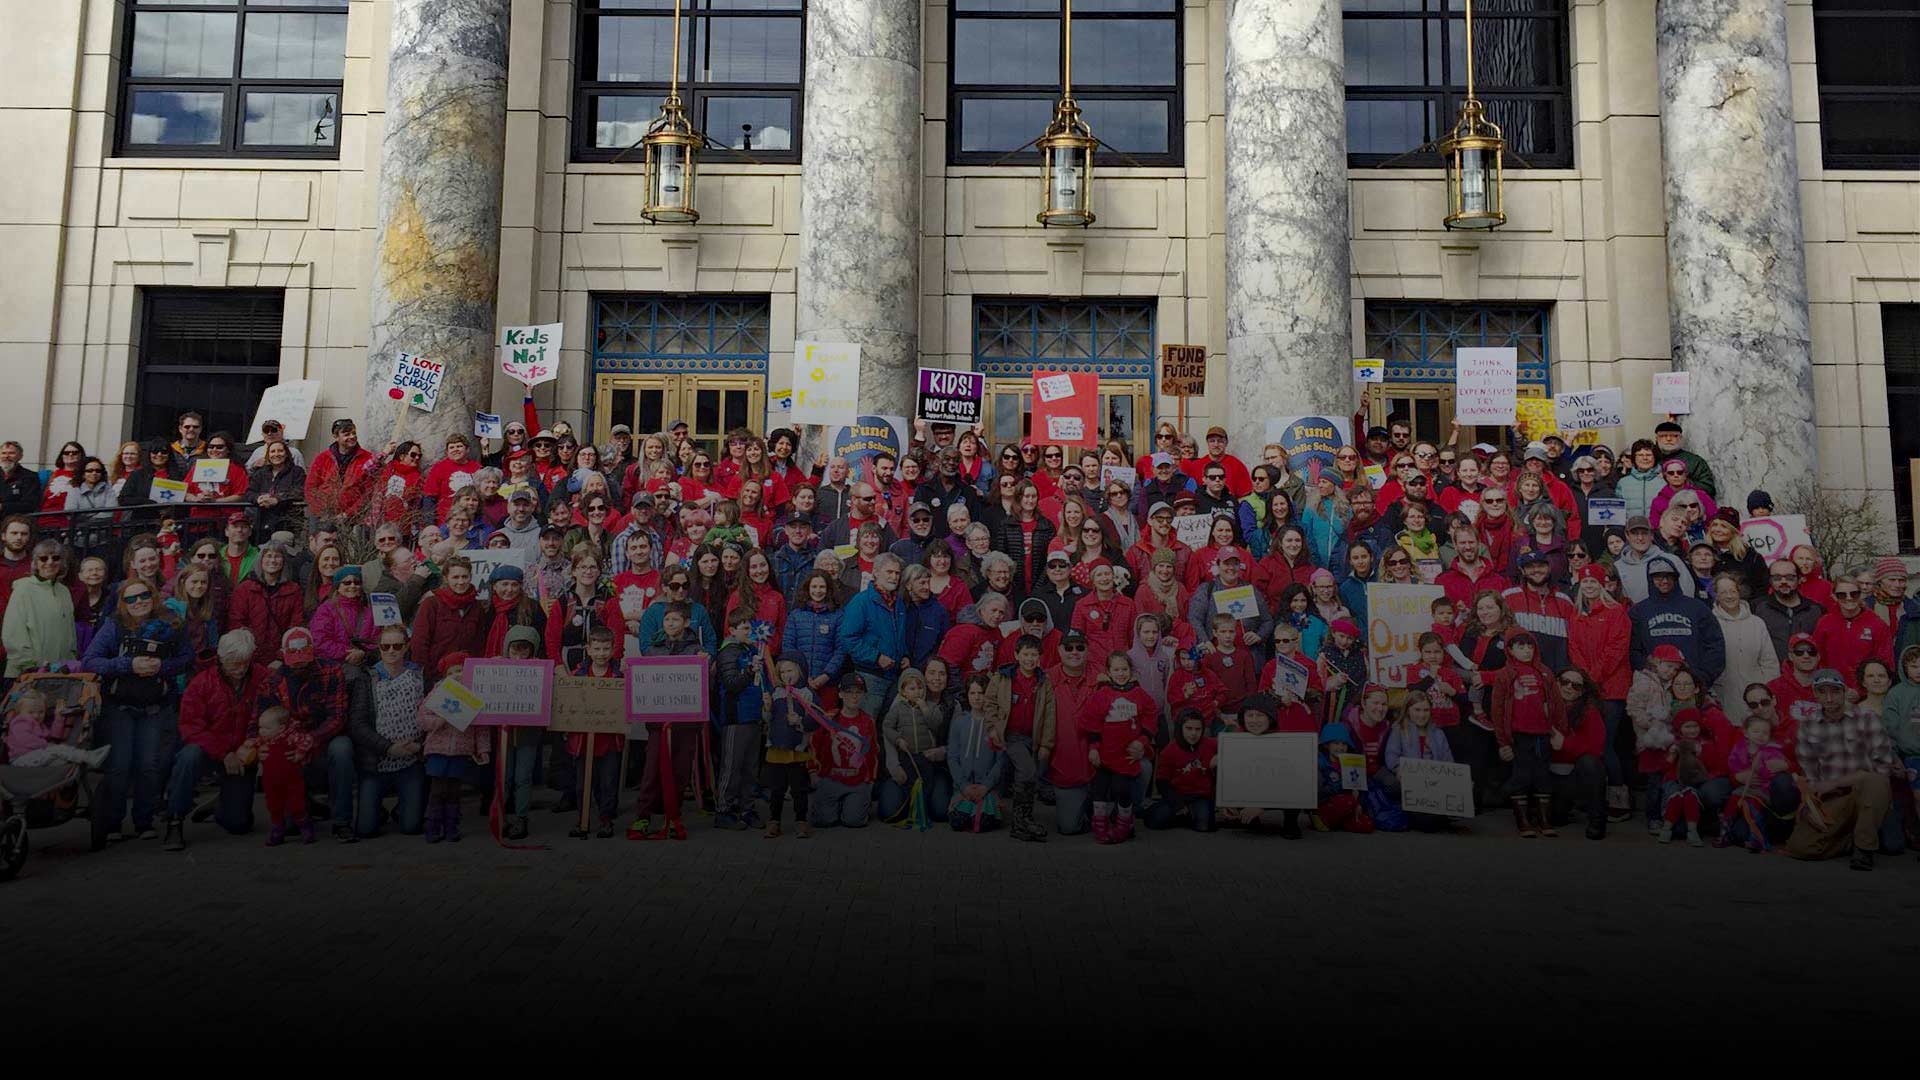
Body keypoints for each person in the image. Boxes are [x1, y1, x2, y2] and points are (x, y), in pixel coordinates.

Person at [164, 628, 281, 849]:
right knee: (188, 757)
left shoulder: (263, 677)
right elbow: (190, 727)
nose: (240, 669)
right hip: (210, 750)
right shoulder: (201, 683)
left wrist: (252, 743)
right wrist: (224, 753)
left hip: (244, 752)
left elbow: (270, 714)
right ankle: (175, 819)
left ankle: (222, 803)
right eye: (234, 664)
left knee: (239, 825)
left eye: (245, 662)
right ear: (221, 659)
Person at [1787, 669, 1900, 870]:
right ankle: (1849, 839)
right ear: (1815, 694)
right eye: (1822, 692)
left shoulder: (1867, 718)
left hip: (1868, 795)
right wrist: (1811, 799)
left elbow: (1882, 767)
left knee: (1892, 844)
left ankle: (1863, 849)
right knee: (1800, 848)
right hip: (1834, 799)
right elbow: (1811, 774)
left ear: (1844, 691)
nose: (1829, 698)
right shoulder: (1807, 725)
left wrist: (1839, 782)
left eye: (1835, 691)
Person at [275, 626, 361, 843]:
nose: (299, 663)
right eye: (294, 659)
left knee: (342, 749)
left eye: (304, 657)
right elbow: (266, 718)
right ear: (283, 654)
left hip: (326, 739)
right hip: (292, 741)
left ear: (313, 651)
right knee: (290, 826)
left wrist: (310, 739)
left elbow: (337, 717)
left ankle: (342, 821)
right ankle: (300, 808)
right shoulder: (275, 679)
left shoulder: (332, 671)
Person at [351, 624, 427, 839]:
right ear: (379, 648)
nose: (391, 651)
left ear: (406, 647)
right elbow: (357, 724)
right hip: (377, 762)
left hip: (411, 760)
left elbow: (433, 713)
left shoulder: (420, 676)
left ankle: (404, 807)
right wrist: (388, 748)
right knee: (366, 830)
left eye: (397, 646)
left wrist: (420, 746)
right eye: (386, 646)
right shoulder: (367, 678)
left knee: (411, 827)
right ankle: (377, 809)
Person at [1490, 629, 1564, 838]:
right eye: (1520, 646)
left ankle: (1544, 819)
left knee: (1542, 775)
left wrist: (1559, 731)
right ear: (1510, 650)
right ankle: (1523, 820)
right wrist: (1503, 742)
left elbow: (1557, 704)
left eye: (1530, 646)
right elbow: (1497, 710)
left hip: (1542, 734)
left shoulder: (1545, 672)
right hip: (1518, 735)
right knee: (1521, 775)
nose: (1526, 650)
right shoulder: (1505, 674)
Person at [987, 634, 1056, 843]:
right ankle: (1020, 821)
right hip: (1011, 735)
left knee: (1028, 777)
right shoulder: (1003, 677)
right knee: (1027, 771)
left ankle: (1025, 819)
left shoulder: (1043, 682)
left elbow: (1049, 714)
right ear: (1017, 655)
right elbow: (990, 702)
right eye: (1026, 654)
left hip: (1032, 737)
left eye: (1034, 655)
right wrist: (993, 727)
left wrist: (1046, 744)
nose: (1030, 659)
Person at [879, 666, 951, 826]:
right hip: (907, 757)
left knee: (926, 783)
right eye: (912, 689)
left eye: (920, 688)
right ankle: (907, 804)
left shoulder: (930, 707)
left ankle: (923, 806)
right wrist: (898, 739)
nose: (917, 692)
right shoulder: (897, 709)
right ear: (903, 692)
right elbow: (887, 726)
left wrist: (925, 708)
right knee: (908, 783)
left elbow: (936, 725)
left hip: (926, 757)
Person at [809, 671, 878, 829]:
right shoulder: (829, 719)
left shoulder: (868, 722)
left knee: (854, 821)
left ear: (864, 695)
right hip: (831, 778)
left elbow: (873, 752)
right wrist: (813, 771)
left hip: (856, 781)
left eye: (858, 692)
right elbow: (814, 744)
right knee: (824, 821)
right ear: (840, 694)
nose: (854, 696)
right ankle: (835, 804)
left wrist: (870, 781)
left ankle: (854, 803)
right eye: (849, 692)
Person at [762, 653, 817, 839]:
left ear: (800, 670)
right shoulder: (776, 693)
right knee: (776, 789)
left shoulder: (808, 694)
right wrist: (767, 708)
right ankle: (774, 821)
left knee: (799, 789)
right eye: (782, 672)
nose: (786, 675)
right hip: (776, 749)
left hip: (797, 750)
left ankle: (801, 821)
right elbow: (767, 720)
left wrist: (800, 721)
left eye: (790, 670)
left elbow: (816, 720)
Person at [3, 541, 77, 677]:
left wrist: (70, 660)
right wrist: (28, 665)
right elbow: (13, 633)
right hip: (28, 673)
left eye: (56, 558)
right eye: (43, 558)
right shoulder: (23, 590)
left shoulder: (64, 591)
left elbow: (70, 631)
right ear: (35, 563)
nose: (50, 562)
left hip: (59, 672)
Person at [1811, 574, 1893, 688]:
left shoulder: (1877, 625)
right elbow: (1818, 659)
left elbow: (1885, 662)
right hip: (1832, 689)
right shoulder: (1824, 623)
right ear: (1834, 597)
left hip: (1867, 691)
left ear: (1860, 594)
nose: (1848, 598)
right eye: (1842, 595)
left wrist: (1862, 690)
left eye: (1854, 594)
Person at [3, 688, 110, 769]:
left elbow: (54, 736)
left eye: (41, 712)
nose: (36, 715)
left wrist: (58, 718)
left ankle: (86, 759)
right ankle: (89, 757)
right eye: (31, 712)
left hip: (35, 757)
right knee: (58, 750)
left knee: (62, 758)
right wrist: (48, 746)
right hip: (21, 758)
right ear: (20, 712)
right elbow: (26, 740)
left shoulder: (40, 725)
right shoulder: (19, 722)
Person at [255, 706, 316, 846]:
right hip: (271, 783)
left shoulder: (291, 736)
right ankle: (277, 830)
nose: (261, 731)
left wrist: (300, 752)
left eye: (266, 728)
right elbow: (252, 743)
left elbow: (308, 738)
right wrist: (252, 748)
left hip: (291, 781)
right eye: (260, 727)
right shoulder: (263, 739)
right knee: (274, 807)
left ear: (281, 728)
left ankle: (305, 826)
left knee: (297, 805)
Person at [1148, 709, 1217, 832]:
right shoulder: (1169, 750)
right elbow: (1161, 782)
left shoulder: (1211, 744)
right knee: (1156, 820)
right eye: (1189, 728)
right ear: (1180, 728)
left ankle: (1188, 815)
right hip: (1177, 795)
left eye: (1198, 729)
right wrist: (1178, 804)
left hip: (1200, 796)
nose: (1193, 733)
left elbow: (1231, 744)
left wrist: (1219, 756)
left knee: (1205, 825)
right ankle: (1184, 814)